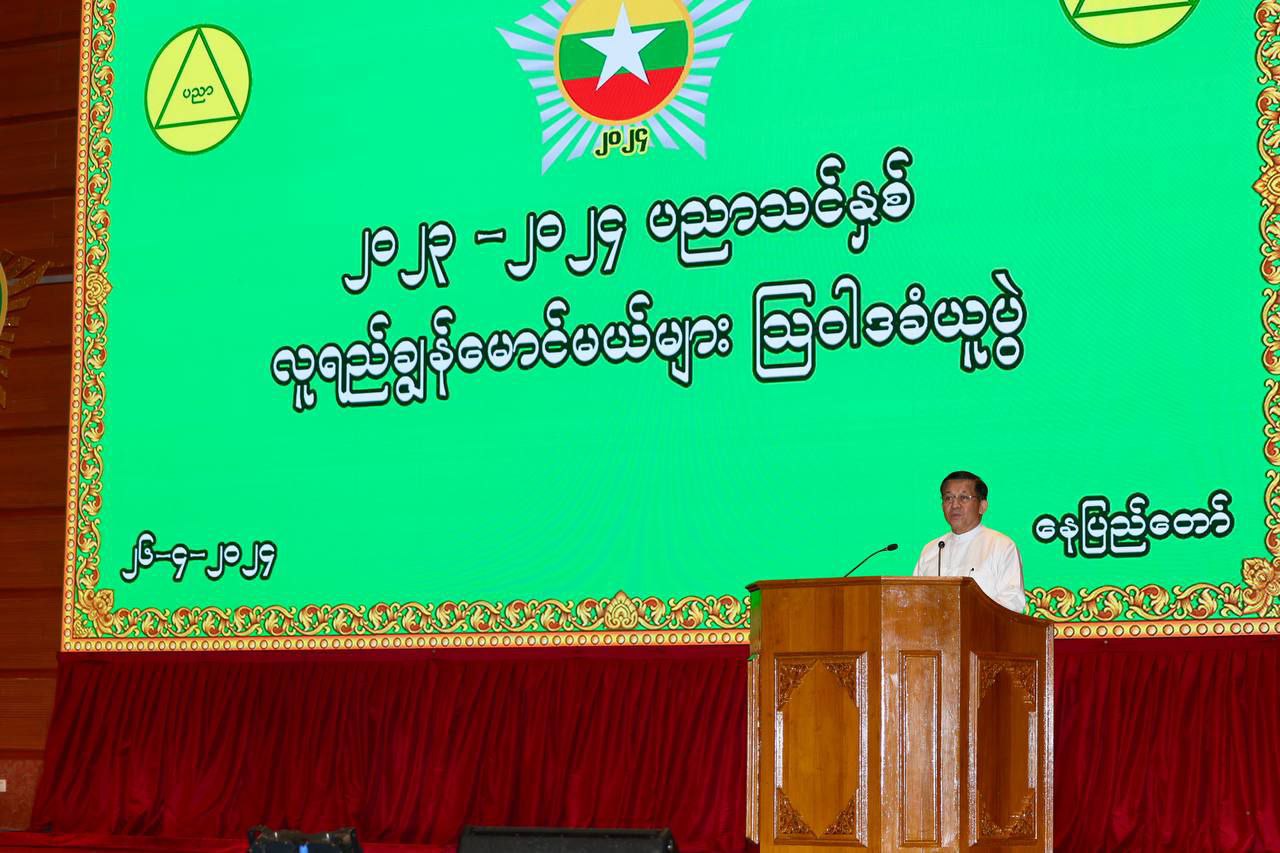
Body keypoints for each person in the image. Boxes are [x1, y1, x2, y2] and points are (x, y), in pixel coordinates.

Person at [912, 470, 1026, 613]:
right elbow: (914, 600)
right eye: (948, 498)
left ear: (982, 506)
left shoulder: (1001, 546)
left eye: (964, 498)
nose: (955, 505)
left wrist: (967, 614)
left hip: (984, 627)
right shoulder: (931, 549)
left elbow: (1013, 601)